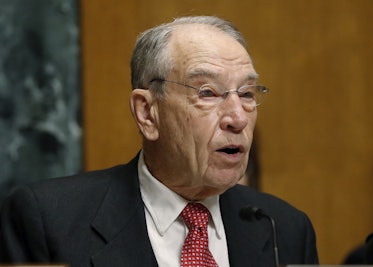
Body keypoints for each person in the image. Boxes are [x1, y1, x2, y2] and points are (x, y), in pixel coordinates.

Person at [0, 16, 318, 266]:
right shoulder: (48, 220)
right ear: (148, 113)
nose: (237, 118)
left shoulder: (285, 228)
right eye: (207, 93)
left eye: (247, 94)